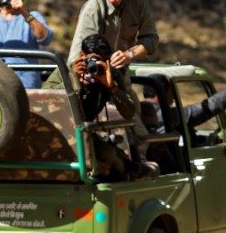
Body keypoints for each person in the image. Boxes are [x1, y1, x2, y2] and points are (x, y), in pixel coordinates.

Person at [45, 34, 156, 180]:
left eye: (104, 60)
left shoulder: (111, 74)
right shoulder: (65, 72)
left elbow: (129, 113)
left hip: (85, 131)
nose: (98, 65)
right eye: (95, 59)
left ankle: (125, 170)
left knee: (113, 155)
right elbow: (45, 101)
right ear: (82, 55)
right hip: (59, 130)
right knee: (108, 156)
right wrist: (74, 80)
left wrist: (112, 88)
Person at [68, 0, 158, 86]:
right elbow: (79, 55)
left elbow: (151, 39)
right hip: (92, 76)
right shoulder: (92, 9)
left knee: (133, 105)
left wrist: (129, 55)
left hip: (121, 75)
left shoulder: (138, 1)